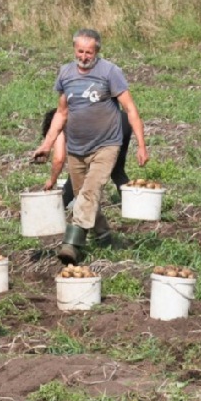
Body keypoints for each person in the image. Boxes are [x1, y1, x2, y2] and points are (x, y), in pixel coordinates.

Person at [33, 29, 149, 263]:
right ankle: (106, 237)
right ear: (74, 49)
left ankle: (72, 244)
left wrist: (141, 145)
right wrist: (46, 143)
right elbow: (61, 113)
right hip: (77, 148)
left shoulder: (109, 72)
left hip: (106, 145)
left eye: (89, 52)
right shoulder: (66, 73)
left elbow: (130, 109)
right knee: (82, 196)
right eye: (80, 51)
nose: (84, 56)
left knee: (89, 192)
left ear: (97, 51)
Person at [41, 107, 132, 209]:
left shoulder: (60, 126)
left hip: (107, 124)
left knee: (77, 170)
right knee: (117, 171)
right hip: (122, 119)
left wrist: (52, 181)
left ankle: (58, 207)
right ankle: (134, 207)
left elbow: (59, 159)